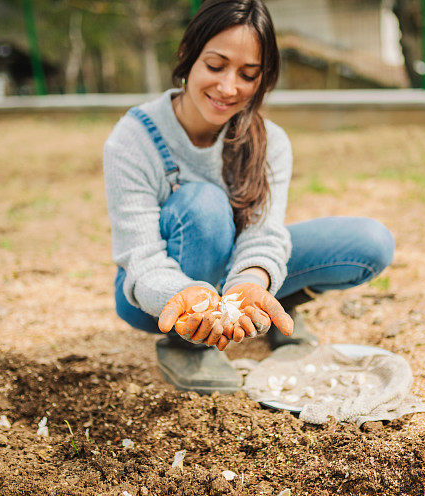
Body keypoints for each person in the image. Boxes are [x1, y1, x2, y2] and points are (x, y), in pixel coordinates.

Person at [104, 0, 394, 394]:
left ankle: (270, 303)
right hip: (158, 293)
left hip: (234, 271)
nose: (228, 87)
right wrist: (185, 297)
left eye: (248, 73)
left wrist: (252, 281)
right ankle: (189, 342)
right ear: (188, 57)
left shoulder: (270, 141)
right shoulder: (133, 138)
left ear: (264, 79)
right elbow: (141, 257)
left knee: (369, 243)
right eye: (215, 65)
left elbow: (263, 234)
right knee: (203, 204)